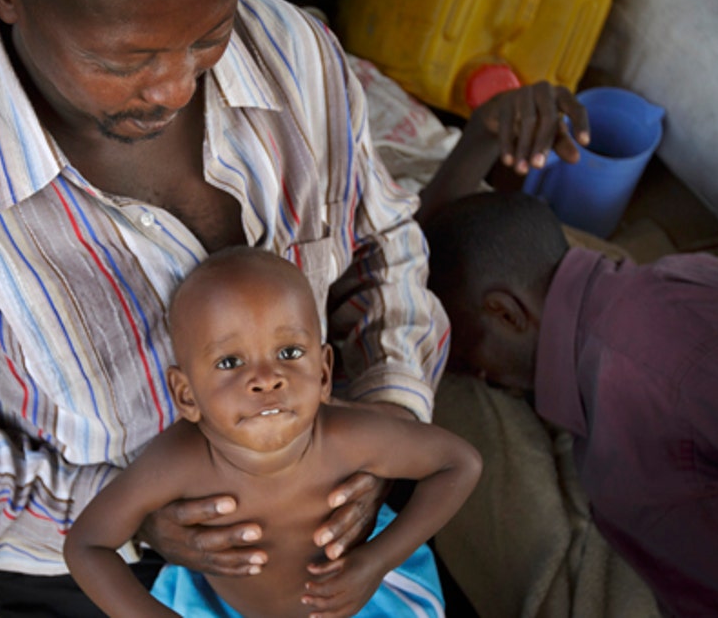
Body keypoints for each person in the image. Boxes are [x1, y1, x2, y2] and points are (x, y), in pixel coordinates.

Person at [0, 0, 584, 614]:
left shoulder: (293, 50)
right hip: (94, 549)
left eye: (207, 36)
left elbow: (384, 247)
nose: (176, 88)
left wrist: (378, 433)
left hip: (335, 492)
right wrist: (135, 518)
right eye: (125, 61)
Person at [420, 191, 718, 617]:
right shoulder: (629, 322)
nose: (483, 377)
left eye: (469, 356)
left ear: (505, 313)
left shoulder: (669, 358)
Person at [64, 247, 481, 618]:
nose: (266, 379)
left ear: (322, 373)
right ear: (186, 394)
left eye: (289, 353)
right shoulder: (178, 461)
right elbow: (87, 546)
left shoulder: (348, 437)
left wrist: (376, 561)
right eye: (230, 362)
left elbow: (459, 463)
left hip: (363, 598)